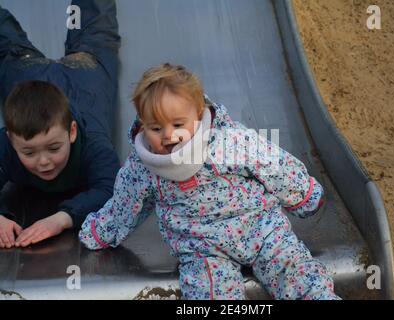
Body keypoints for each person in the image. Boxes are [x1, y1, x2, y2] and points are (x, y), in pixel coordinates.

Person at [79, 63, 340, 300]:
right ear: (143, 125)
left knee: (295, 272)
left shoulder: (228, 141)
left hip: (259, 228)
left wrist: (304, 194)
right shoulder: (143, 166)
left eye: (178, 124)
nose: (169, 135)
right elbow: (125, 203)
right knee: (208, 293)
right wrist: (99, 232)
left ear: (199, 115)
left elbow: (272, 163)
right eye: (156, 128)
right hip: (201, 247)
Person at [0, 0, 121, 249]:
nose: (43, 161)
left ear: (72, 132)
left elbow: (113, 188)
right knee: (8, 47)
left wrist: (63, 218)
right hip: (27, 70)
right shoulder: (6, 145)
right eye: (29, 152)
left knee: (97, 30)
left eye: (54, 148)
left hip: (85, 75)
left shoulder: (93, 145)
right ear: (12, 140)